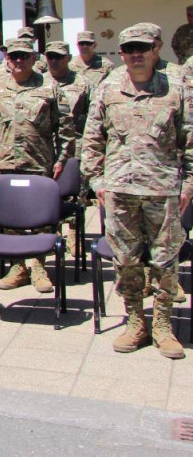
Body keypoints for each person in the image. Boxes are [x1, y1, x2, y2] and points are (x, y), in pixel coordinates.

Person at [82, 23, 193, 359]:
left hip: (163, 191)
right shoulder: (109, 85)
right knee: (127, 261)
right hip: (119, 191)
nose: (135, 55)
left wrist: (188, 183)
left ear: (156, 48)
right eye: (129, 50)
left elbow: (190, 139)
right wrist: (97, 182)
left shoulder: (177, 87)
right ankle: (135, 322)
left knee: (164, 260)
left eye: (142, 49)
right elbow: (92, 138)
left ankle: (162, 326)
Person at [0, 37, 75, 293]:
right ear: (7, 60)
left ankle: (39, 267)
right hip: (7, 162)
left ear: (34, 58)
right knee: (11, 217)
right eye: (14, 56)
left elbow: (65, 128)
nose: (19, 60)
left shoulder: (49, 88)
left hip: (38, 162)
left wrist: (62, 159)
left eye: (24, 55)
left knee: (41, 219)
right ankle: (20, 266)